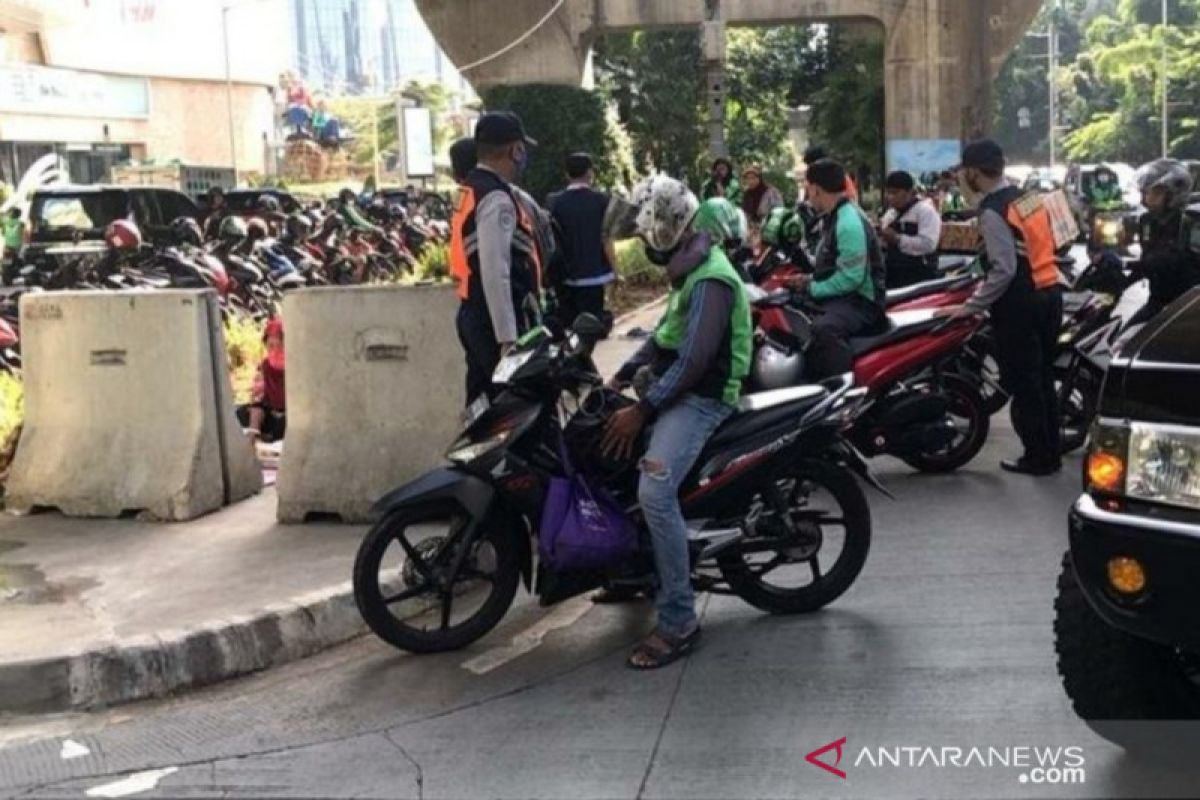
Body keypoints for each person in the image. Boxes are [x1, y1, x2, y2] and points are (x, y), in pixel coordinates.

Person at [600, 175, 752, 670]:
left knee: (653, 493)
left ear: (665, 230)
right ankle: (638, 571)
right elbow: (664, 339)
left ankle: (679, 620)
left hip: (704, 399)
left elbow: (692, 363)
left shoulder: (709, 278)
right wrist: (618, 378)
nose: (642, 246)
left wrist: (640, 409)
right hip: (677, 389)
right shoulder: (688, 271)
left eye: (644, 237)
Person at [947, 139, 1062, 475]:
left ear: (972, 172)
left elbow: (1003, 269)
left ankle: (1038, 457)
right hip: (1049, 291)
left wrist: (970, 307)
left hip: (1020, 302)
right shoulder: (1027, 198)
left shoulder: (993, 211)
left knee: (1024, 382)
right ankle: (1050, 452)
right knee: (1042, 379)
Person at [449, 111, 543, 405]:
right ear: (515, 150)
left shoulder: (471, 189)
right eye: (522, 149)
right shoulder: (497, 198)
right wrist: (508, 339)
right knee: (514, 406)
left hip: (473, 312)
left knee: (481, 404)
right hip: (496, 322)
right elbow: (495, 270)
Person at [785, 160, 887, 379]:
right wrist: (807, 280)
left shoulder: (848, 221)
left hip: (861, 302)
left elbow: (852, 278)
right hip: (844, 296)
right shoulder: (834, 217)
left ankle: (841, 397)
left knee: (824, 329)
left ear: (815, 188)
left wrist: (813, 287)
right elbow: (832, 267)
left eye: (808, 189)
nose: (808, 196)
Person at [545, 152, 617, 328]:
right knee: (591, 329)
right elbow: (606, 238)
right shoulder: (601, 201)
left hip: (566, 277)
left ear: (567, 174)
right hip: (595, 276)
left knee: (571, 327)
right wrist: (616, 270)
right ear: (590, 173)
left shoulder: (555, 203)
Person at [1126, 159, 1197, 327]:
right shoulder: (1146, 221)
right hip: (1157, 300)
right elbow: (1146, 256)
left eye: (1155, 193)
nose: (1147, 197)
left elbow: (1182, 259)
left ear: (1174, 195)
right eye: (1146, 192)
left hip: (1188, 305)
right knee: (1125, 338)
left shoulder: (1191, 222)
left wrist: (1143, 264)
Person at [879, 170, 942, 289]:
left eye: (895, 193)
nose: (890, 197)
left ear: (909, 192)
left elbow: (928, 245)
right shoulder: (891, 213)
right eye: (888, 193)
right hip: (894, 273)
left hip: (919, 274)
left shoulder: (925, 211)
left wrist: (898, 239)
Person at [239, 318, 287, 443]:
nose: (275, 350)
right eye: (271, 346)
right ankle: (253, 436)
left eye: (280, 346)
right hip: (271, 413)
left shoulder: (295, 365)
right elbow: (259, 399)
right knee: (241, 412)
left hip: (290, 415)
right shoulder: (265, 366)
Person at [2, 208, 25, 286]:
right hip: (18, 246)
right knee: (23, 260)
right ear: (19, 215)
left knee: (5, 262)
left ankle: (6, 276)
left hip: (7, 246)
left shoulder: (5, 222)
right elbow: (23, 234)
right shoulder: (21, 223)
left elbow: (3, 232)